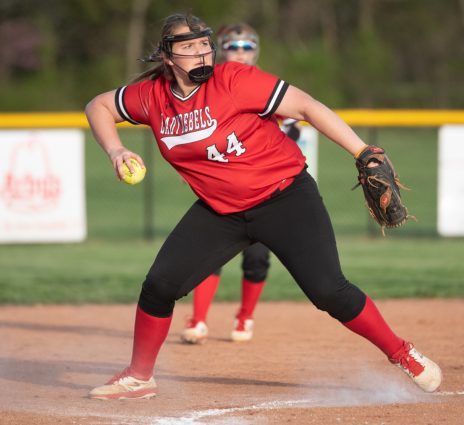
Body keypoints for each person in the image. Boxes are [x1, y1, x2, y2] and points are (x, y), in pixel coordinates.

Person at [85, 13, 442, 400]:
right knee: (158, 286)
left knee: (329, 292)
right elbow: (99, 106)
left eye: (205, 45)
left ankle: (401, 352)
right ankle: (140, 377)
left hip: (285, 197)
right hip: (221, 211)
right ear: (167, 57)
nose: (201, 54)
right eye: (188, 48)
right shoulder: (152, 96)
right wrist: (116, 150)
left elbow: (306, 107)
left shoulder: (234, 79)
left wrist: (363, 151)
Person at [180, 23, 301, 345]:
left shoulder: (264, 83)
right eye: (233, 46)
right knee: (209, 253)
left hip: (262, 187)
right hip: (222, 184)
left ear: (256, 50)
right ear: (220, 49)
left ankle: (245, 317)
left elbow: (294, 123)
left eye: (247, 47)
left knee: (257, 256)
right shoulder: (209, 83)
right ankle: (198, 319)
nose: (240, 52)